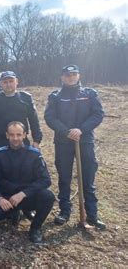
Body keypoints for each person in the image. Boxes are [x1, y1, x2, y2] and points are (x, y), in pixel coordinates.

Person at [44, 65, 106, 229]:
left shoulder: (90, 94)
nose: (70, 77)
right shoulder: (55, 96)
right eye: (67, 75)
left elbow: (98, 114)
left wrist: (81, 129)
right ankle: (64, 211)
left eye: (73, 74)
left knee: (88, 178)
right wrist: (66, 132)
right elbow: (49, 117)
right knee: (64, 178)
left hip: (85, 141)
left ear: (79, 76)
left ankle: (92, 215)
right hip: (63, 142)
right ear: (62, 77)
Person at [0, 121, 55, 243]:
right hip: (7, 197)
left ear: (24, 135)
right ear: (7, 135)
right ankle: (13, 213)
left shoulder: (34, 155)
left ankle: (35, 228)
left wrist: (23, 193)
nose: (15, 138)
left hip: (28, 196)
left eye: (18, 134)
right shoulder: (0, 154)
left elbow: (45, 180)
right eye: (12, 135)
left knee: (48, 196)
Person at [0, 71, 42, 155]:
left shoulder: (26, 98)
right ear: (1, 84)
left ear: (16, 81)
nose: (8, 84)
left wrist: (36, 140)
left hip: (21, 140)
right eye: (5, 82)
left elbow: (34, 121)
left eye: (11, 81)